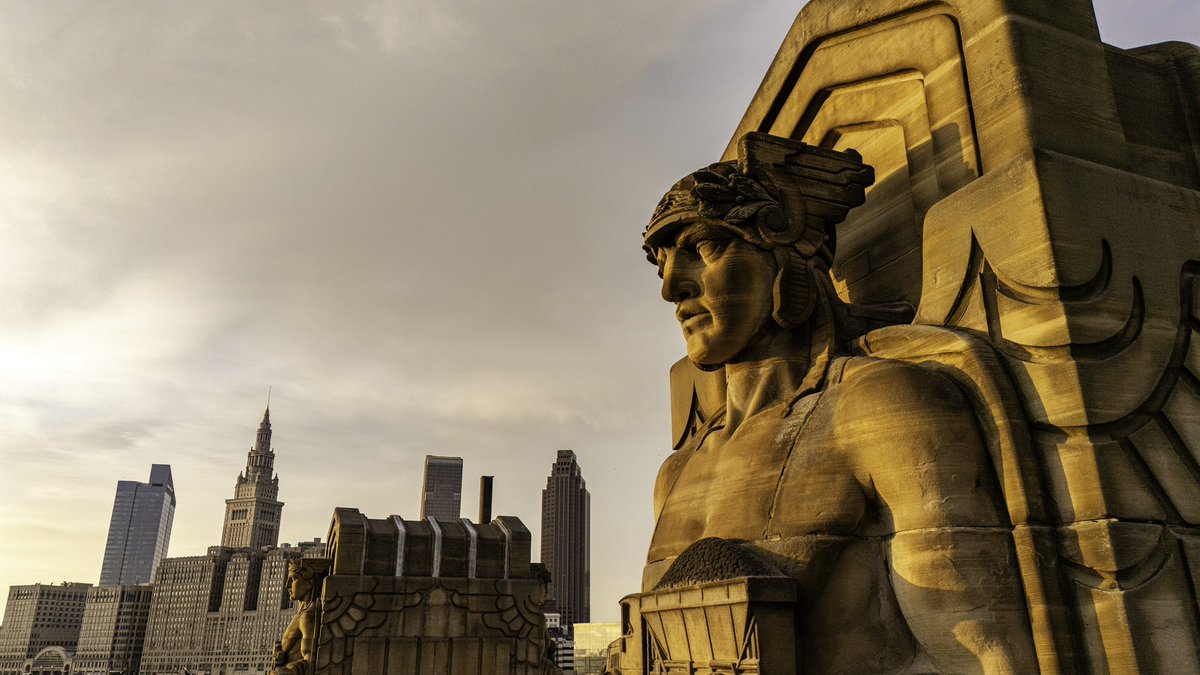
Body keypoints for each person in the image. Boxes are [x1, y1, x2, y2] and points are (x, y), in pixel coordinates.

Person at [642, 132, 1036, 673]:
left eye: (704, 246)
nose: (670, 287)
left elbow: (983, 656)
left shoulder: (878, 408)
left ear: (786, 250)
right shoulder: (675, 474)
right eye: (660, 262)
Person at [271, 559, 327, 675]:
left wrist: (284, 671)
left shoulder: (308, 615)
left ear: (310, 583)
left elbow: (311, 659)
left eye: (293, 579)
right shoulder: (302, 613)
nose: (287, 585)